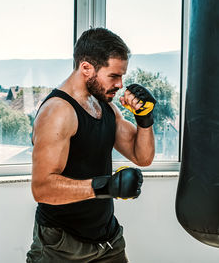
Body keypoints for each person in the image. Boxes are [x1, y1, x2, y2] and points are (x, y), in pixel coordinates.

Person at [26, 28, 156, 263]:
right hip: (62, 246)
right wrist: (106, 186)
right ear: (87, 68)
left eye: (122, 76)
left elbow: (142, 157)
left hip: (108, 240)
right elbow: (42, 188)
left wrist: (144, 119)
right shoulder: (58, 112)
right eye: (114, 76)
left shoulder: (105, 106)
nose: (120, 84)